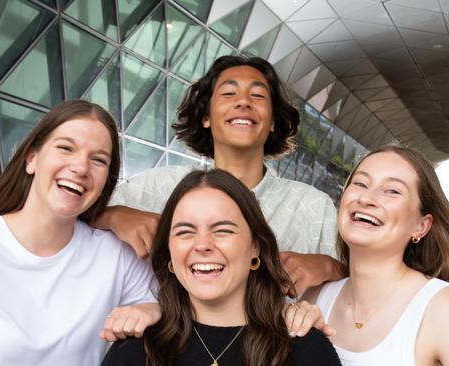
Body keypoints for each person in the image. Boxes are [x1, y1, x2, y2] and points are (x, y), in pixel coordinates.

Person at [0, 101, 159, 366]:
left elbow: (180, 309)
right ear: (32, 159)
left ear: (106, 181)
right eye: (66, 148)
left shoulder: (116, 257)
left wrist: (151, 309)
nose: (81, 167)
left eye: (99, 160)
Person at [95, 55, 343, 295]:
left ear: (273, 122)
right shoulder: (158, 186)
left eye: (257, 95)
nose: (244, 102)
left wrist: (332, 267)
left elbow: (366, 278)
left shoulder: (312, 206)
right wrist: (113, 215)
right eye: (228, 93)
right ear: (206, 117)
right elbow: (73, 216)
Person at [102, 169, 342, 366]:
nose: (203, 245)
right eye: (185, 232)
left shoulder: (307, 350)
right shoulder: (134, 350)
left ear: (255, 248)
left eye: (223, 230)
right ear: (170, 253)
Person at [305, 145, 449, 365]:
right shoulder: (313, 299)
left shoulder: (444, 309)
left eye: (392, 191)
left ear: (421, 226)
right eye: (360, 183)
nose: (366, 198)